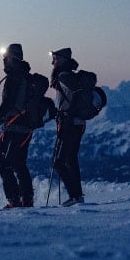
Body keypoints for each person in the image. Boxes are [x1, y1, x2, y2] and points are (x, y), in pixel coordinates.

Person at [0, 43, 35, 209]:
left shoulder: (14, 78)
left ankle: (15, 201)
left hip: (13, 127)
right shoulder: (25, 76)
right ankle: (26, 200)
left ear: (11, 58)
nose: (3, 60)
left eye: (5, 57)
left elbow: (7, 106)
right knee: (19, 164)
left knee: (5, 165)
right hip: (25, 127)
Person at [49, 47, 85, 206]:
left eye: (55, 58)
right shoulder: (69, 75)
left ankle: (75, 196)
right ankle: (77, 196)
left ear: (62, 59)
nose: (52, 62)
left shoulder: (64, 76)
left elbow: (76, 94)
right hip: (76, 122)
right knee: (71, 159)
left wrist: (68, 113)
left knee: (60, 161)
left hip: (69, 123)